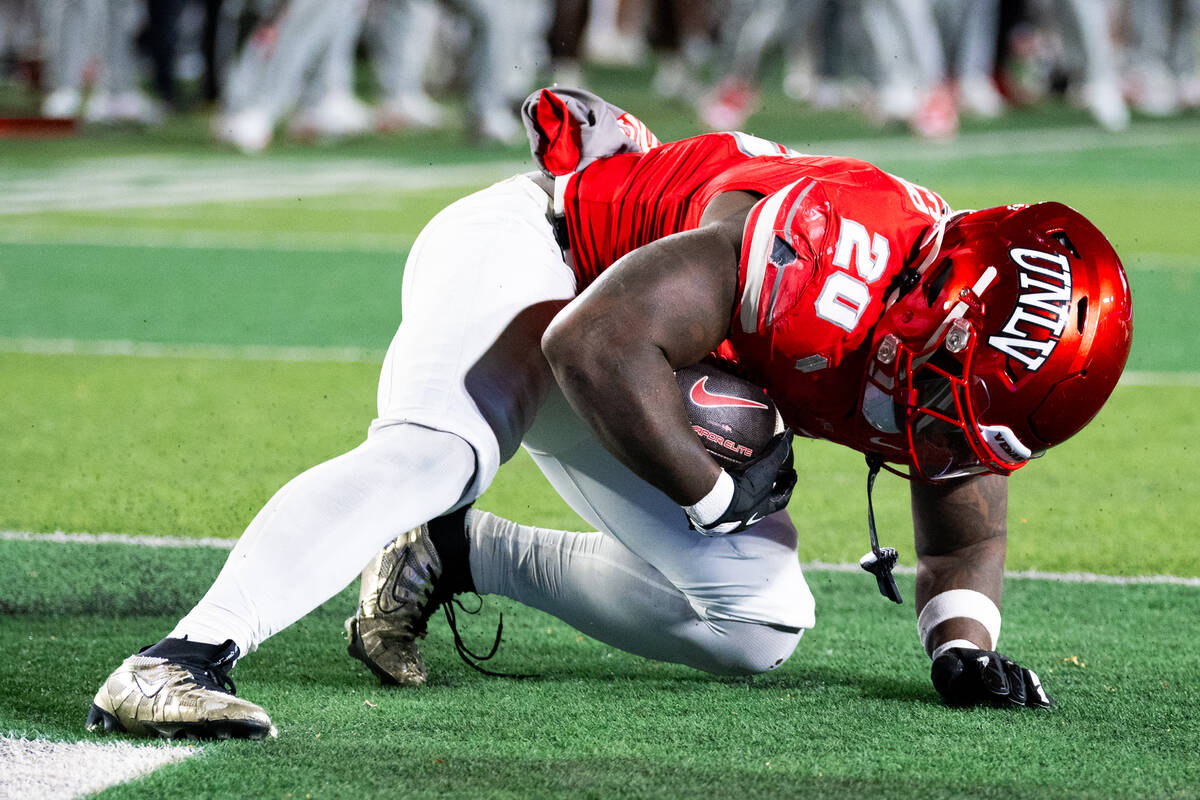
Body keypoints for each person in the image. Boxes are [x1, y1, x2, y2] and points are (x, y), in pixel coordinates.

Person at [85, 87, 1132, 740]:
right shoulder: (830, 256)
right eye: (959, 400)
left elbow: (968, 518)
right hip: (542, 256)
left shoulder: (951, 344)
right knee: (434, 449)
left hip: (637, 360)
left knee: (759, 622)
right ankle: (179, 658)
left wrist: (962, 642)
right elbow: (590, 338)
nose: (952, 437)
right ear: (936, 310)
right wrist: (714, 485)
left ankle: (452, 554)